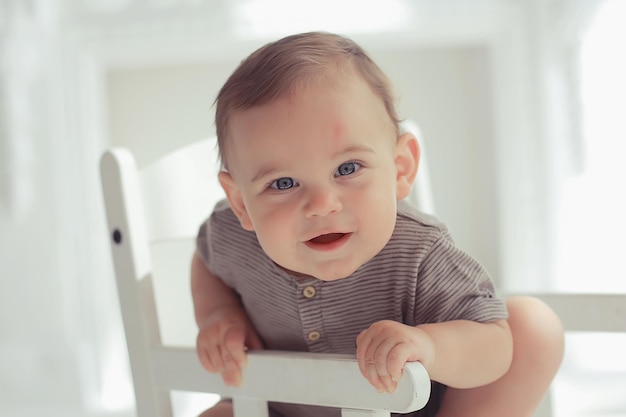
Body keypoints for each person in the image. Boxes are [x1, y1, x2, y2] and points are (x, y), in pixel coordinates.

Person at [191, 31, 564, 417]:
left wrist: (430, 347)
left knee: (531, 325)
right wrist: (218, 314)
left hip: (408, 411)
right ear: (241, 204)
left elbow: (494, 347)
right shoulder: (232, 235)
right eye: (283, 184)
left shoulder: (420, 253)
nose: (321, 205)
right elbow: (205, 261)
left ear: (401, 169)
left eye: (347, 168)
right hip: (279, 409)